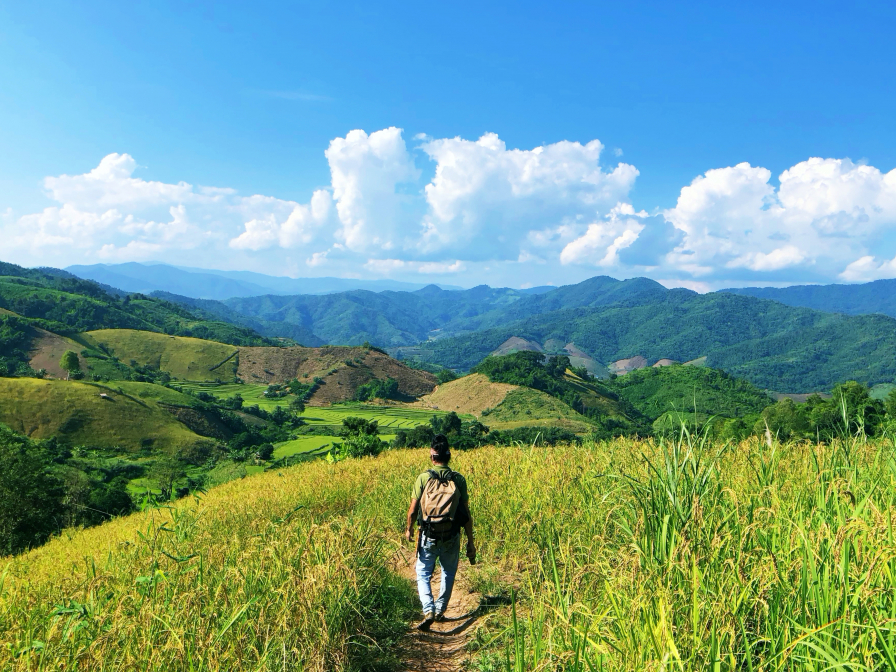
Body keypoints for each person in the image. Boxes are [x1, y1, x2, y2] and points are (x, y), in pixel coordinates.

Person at [404, 434, 476, 631]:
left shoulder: (423, 478)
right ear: (449, 455)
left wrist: (409, 529)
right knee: (448, 571)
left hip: (428, 534)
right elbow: (466, 515)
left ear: (432, 456)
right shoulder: (458, 479)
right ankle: (440, 609)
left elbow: (412, 510)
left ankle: (428, 609)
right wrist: (470, 541)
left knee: (423, 572)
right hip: (451, 534)